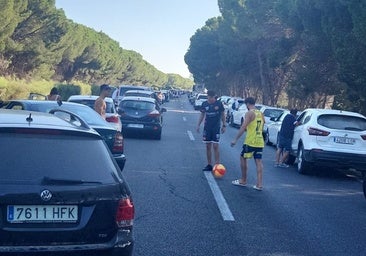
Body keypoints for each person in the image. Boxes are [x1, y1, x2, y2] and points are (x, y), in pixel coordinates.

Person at [230, 97, 265, 191]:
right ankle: (259, 184)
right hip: (259, 140)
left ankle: (243, 180)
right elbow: (263, 124)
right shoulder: (260, 113)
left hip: (251, 141)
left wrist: (235, 139)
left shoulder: (249, 113)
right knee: (258, 161)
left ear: (248, 104)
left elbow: (243, 126)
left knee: (243, 158)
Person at [196, 90, 226, 172]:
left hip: (216, 127)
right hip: (207, 128)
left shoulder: (219, 104)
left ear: (214, 97)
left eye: (212, 97)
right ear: (207, 96)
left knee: (215, 146)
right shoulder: (204, 104)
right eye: (209, 97)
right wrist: (198, 125)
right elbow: (202, 114)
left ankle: (217, 165)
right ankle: (209, 164)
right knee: (208, 146)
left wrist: (224, 125)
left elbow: (223, 114)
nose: (211, 99)